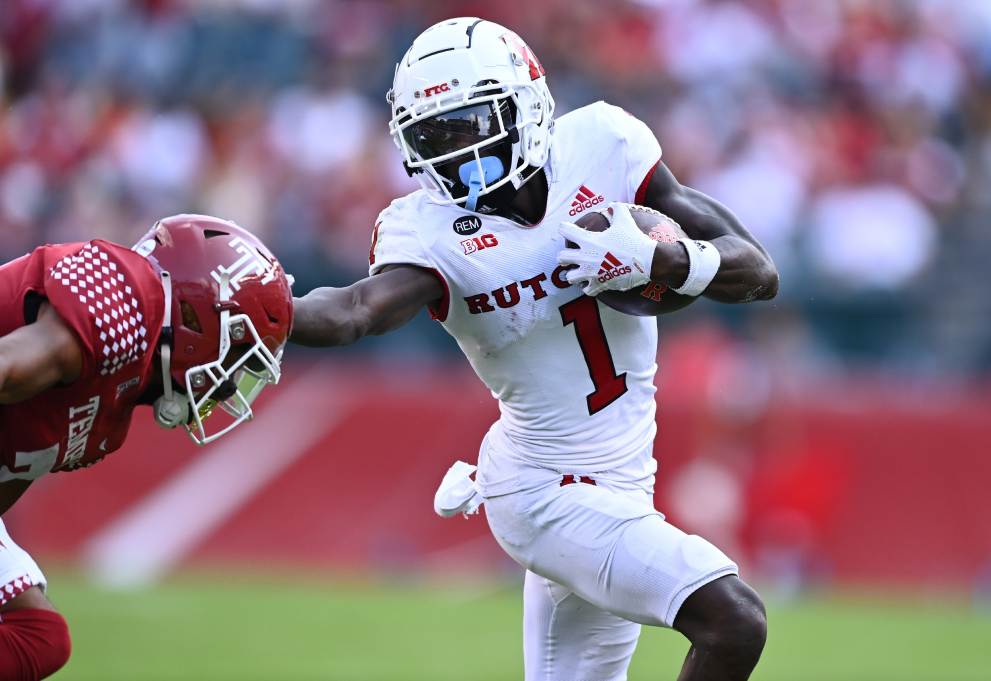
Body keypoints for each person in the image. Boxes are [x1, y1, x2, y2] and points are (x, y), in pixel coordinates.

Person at [292, 18, 777, 681]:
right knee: (734, 619)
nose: (453, 153)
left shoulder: (604, 146)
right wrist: (258, 313)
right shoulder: (432, 232)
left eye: (467, 126)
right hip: (540, 491)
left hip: (623, 484)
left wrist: (661, 257)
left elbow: (756, 270)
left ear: (523, 105)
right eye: (433, 136)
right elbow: (352, 310)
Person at [0, 214, 293, 680]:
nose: (231, 381)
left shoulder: (116, 405)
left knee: (39, 637)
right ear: (198, 317)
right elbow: (9, 367)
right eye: (236, 353)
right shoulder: (123, 305)